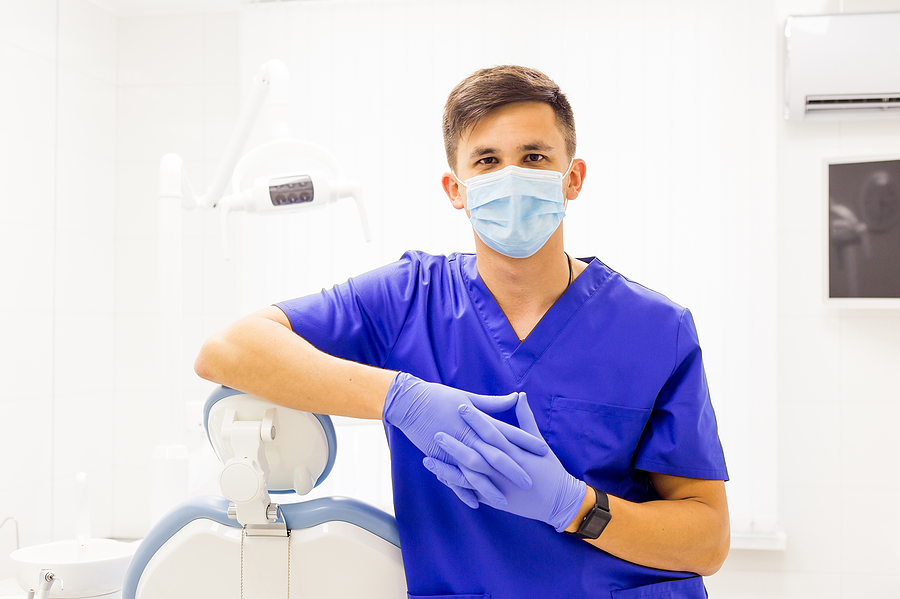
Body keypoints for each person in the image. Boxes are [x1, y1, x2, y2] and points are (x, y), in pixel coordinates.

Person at [195, 65, 730, 598]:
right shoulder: (408, 300)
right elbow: (228, 350)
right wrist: (401, 399)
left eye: (534, 157)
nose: (512, 177)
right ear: (456, 188)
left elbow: (706, 540)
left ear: (573, 178)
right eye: (488, 161)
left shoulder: (656, 330)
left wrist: (576, 508)